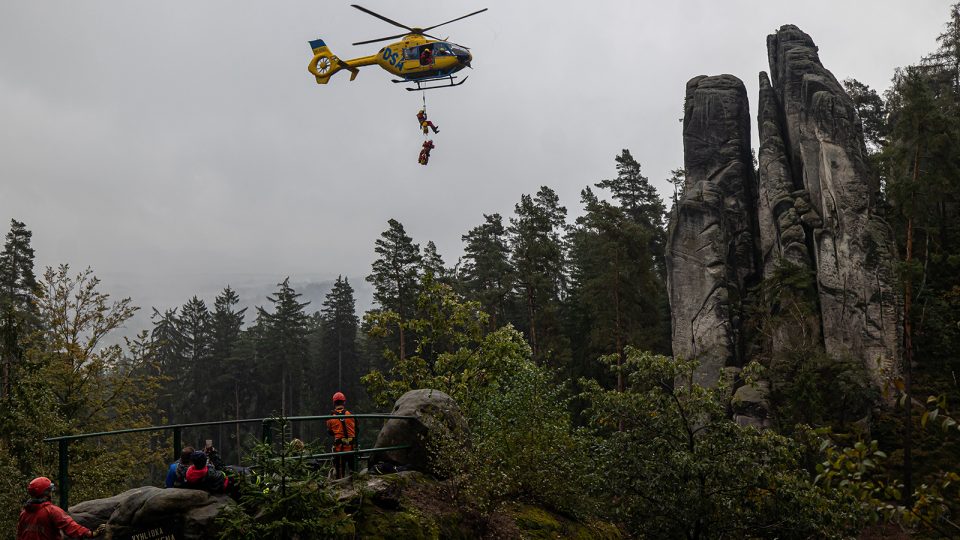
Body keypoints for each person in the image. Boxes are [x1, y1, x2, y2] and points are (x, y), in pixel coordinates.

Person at [17, 477, 105, 539]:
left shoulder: (24, 513)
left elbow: (20, 534)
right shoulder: (51, 511)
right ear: (46, 493)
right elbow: (71, 527)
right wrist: (91, 533)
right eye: (50, 490)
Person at [325, 391, 356, 479]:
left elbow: (330, 432)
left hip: (339, 449)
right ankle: (354, 485)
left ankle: (339, 484)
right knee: (353, 471)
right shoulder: (350, 414)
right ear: (344, 402)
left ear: (334, 403)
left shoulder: (330, 417)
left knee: (339, 472)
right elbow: (356, 429)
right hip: (351, 449)